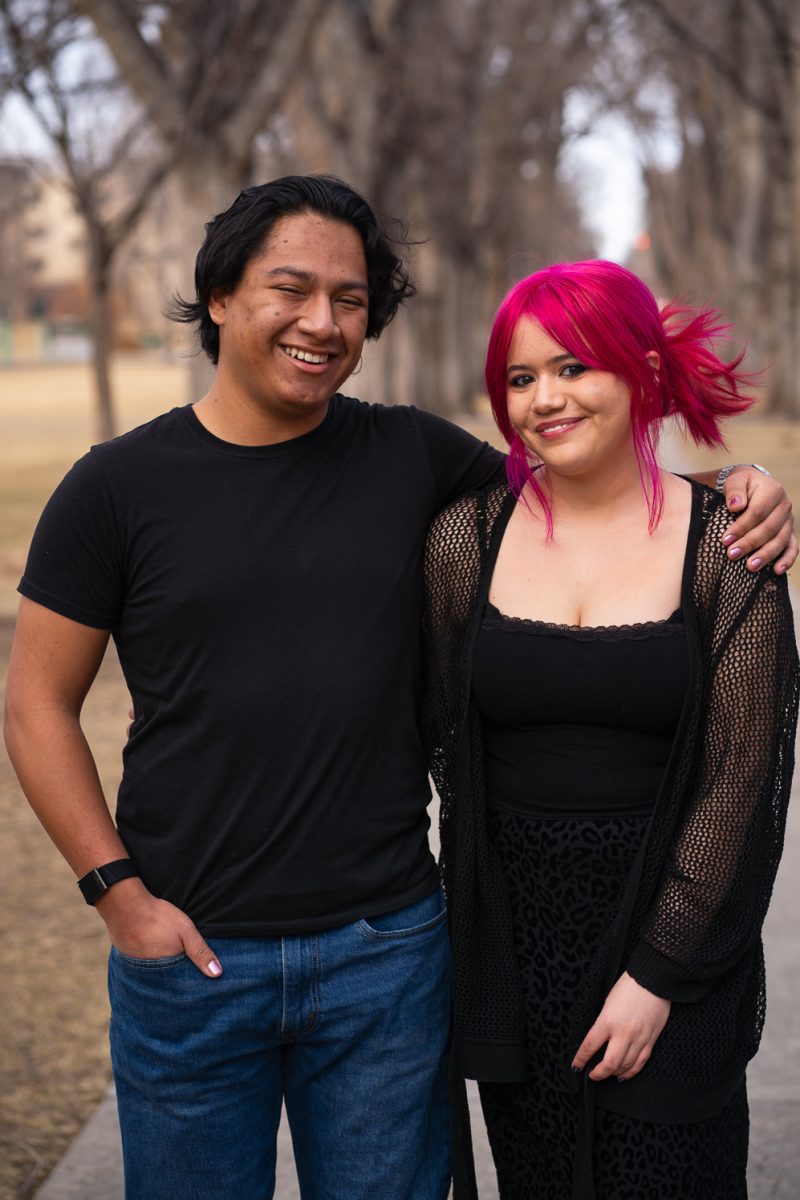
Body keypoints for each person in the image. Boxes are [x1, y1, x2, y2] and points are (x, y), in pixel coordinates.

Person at [2, 178, 794, 1200]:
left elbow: (583, 482)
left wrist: (742, 484)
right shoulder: (112, 488)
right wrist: (118, 897)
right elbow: (34, 706)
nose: (322, 322)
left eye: (350, 299)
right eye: (291, 289)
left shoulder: (410, 455)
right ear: (218, 295)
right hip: (191, 960)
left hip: (385, 956)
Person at [423, 259, 799, 1200]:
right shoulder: (465, 543)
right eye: (520, 378)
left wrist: (657, 977)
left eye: (572, 366)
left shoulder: (728, 548)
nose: (545, 398)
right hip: (516, 954)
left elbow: (741, 782)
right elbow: (429, 735)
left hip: (675, 949)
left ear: (639, 368)